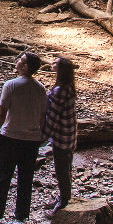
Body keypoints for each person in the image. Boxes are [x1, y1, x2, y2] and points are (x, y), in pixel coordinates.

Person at [0, 52, 48, 223]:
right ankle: (22, 214)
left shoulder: (10, 85)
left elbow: (1, 112)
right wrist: (41, 135)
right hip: (31, 140)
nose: (17, 61)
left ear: (25, 67)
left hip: (10, 137)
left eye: (21, 60)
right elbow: (42, 116)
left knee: (3, 176)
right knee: (26, 178)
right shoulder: (40, 88)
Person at [43, 56, 78, 210]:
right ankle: (64, 196)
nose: (52, 63)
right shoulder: (69, 86)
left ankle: (63, 202)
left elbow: (53, 116)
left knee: (61, 170)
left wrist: (42, 137)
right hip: (70, 134)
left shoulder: (60, 90)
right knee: (67, 168)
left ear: (61, 69)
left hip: (61, 137)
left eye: (56, 62)